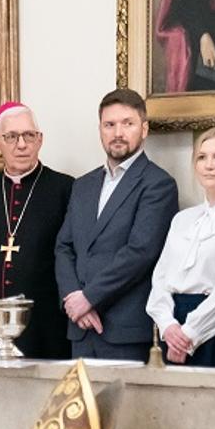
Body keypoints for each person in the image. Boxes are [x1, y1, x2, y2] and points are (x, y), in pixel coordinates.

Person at [53, 89, 179, 361]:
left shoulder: (158, 184)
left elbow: (141, 252)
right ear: (100, 129)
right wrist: (73, 298)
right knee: (80, 404)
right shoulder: (83, 185)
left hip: (125, 331)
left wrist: (89, 298)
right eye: (109, 125)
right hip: (81, 327)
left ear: (144, 129)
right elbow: (64, 247)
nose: (118, 133)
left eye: (128, 123)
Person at [0, 102, 73, 359]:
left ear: (40, 140)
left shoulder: (65, 189)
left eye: (29, 135)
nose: (22, 144)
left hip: (47, 327)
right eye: (11, 137)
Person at [146, 128, 215, 368]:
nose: (209, 165)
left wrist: (190, 334)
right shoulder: (182, 219)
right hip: (173, 326)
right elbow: (160, 277)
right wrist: (167, 325)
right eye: (201, 157)